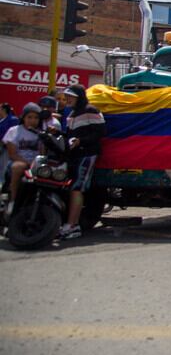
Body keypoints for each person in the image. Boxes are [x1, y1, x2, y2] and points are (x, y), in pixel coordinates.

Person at [57, 84, 106, 241]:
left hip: (87, 154)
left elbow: (100, 133)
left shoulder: (91, 110)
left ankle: (72, 225)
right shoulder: (71, 114)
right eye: (67, 96)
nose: (68, 99)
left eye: (71, 96)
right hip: (74, 155)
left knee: (77, 188)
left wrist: (81, 141)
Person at [2, 103, 42, 204]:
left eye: (36, 118)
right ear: (23, 117)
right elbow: (12, 154)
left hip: (36, 164)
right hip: (18, 161)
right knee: (18, 167)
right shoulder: (14, 131)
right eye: (29, 117)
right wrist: (29, 163)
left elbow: (42, 153)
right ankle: (13, 200)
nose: (33, 120)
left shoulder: (41, 133)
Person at [0, 103, 19, 176]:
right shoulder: (2, 119)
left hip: (7, 147)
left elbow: (15, 134)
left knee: (3, 166)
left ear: (3, 110)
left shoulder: (13, 120)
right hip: (2, 146)